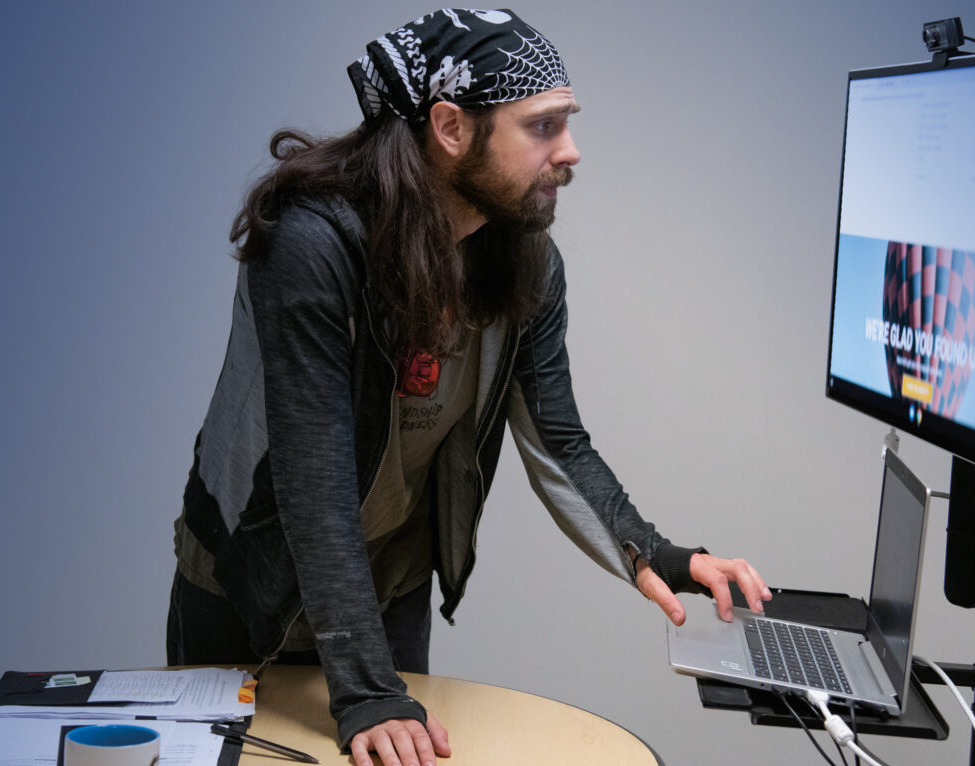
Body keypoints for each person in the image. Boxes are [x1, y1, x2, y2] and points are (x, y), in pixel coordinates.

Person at [167, 9, 771, 766]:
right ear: (450, 127)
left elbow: (557, 440)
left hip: (385, 577)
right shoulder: (312, 245)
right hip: (247, 584)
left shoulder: (526, 262)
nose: (572, 151)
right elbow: (312, 480)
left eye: (568, 123)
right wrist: (368, 694)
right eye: (542, 127)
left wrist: (659, 554)